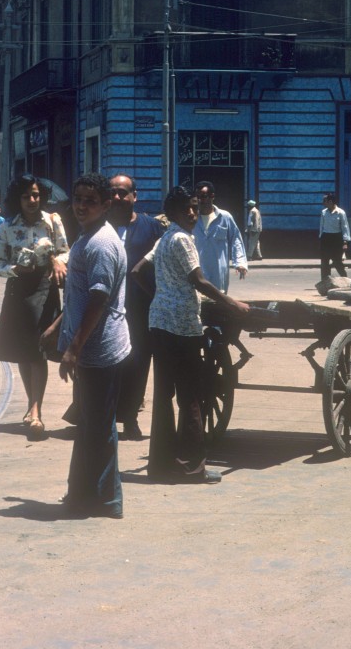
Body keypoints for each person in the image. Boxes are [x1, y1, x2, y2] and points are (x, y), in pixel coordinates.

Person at [133, 186, 249, 484]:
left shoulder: (164, 238)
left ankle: (160, 465)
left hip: (159, 322)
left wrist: (161, 296)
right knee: (191, 396)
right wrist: (231, 303)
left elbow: (137, 271)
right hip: (182, 327)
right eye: (186, 208)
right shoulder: (183, 239)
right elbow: (198, 280)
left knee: (164, 395)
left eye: (195, 207)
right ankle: (192, 468)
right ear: (171, 212)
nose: (193, 213)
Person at [52, 172, 129, 519]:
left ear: (106, 204)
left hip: (99, 350)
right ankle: (86, 495)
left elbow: (98, 298)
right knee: (93, 425)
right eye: (77, 199)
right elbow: (79, 295)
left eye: (90, 201)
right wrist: (57, 328)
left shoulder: (101, 243)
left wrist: (74, 347)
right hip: (90, 348)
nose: (81, 206)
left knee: (97, 428)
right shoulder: (88, 236)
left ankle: (106, 501)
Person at [0, 174, 69, 440]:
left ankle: (36, 411)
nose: (32, 200)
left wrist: (58, 261)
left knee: (39, 350)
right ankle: (32, 405)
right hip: (18, 292)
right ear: (18, 199)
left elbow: (65, 250)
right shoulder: (6, 227)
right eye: (26, 196)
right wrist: (15, 269)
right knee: (25, 353)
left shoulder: (53, 221)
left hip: (45, 290)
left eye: (36, 195)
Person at [108, 174, 166, 441]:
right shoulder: (100, 227)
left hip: (141, 308)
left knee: (138, 363)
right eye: (113, 193)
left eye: (123, 192)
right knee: (107, 364)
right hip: (106, 309)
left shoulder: (151, 227)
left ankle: (130, 418)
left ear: (134, 196)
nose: (118, 197)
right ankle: (102, 416)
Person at [191, 181, 247, 292]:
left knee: (219, 302)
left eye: (203, 196)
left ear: (212, 196)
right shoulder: (192, 219)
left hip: (218, 272)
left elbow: (236, 239)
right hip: (197, 272)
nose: (200, 200)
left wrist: (240, 262)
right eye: (197, 197)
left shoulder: (225, 217)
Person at [319, 192, 351, 282]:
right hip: (326, 238)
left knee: (337, 262)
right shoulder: (324, 212)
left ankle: (345, 279)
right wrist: (321, 236)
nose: (323, 203)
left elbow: (345, 227)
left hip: (336, 238)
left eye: (325, 201)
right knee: (324, 262)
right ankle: (325, 281)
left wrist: (345, 241)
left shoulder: (340, 213)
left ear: (330, 201)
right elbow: (321, 226)